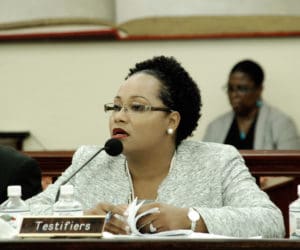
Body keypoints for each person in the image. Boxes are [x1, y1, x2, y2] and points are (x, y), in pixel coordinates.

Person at [26, 56, 284, 238]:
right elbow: (15, 217)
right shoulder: (91, 161)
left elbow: (271, 221)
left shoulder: (217, 162)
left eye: (137, 107)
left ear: (171, 121)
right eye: (116, 107)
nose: (119, 117)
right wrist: (84, 222)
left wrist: (191, 220)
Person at [203, 59, 300, 149]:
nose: (234, 95)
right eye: (230, 89)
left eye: (242, 89)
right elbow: (205, 163)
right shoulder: (215, 126)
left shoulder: (282, 124)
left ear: (259, 89)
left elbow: (290, 166)